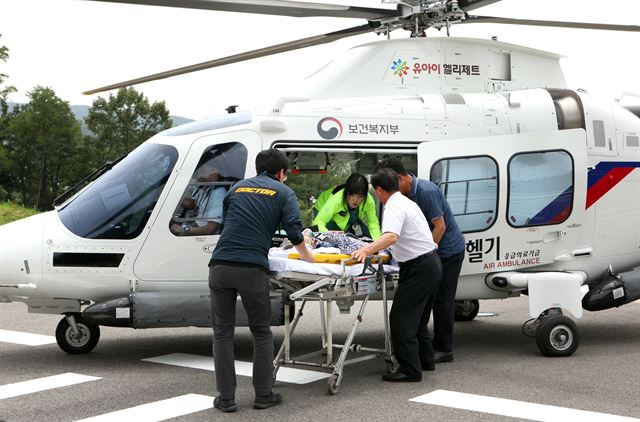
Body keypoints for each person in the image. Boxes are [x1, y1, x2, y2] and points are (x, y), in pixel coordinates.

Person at [208, 149, 314, 412]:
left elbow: (228, 223)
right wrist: (309, 259)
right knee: (261, 332)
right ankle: (263, 395)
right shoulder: (283, 191)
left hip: (220, 265)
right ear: (281, 172)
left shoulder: (237, 189)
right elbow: (294, 231)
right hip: (251, 269)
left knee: (222, 333)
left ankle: (227, 399)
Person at [351, 168, 442, 382]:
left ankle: (410, 370)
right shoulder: (407, 201)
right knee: (418, 319)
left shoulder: (393, 206)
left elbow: (391, 236)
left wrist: (367, 250)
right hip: (430, 263)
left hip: (419, 267)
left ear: (380, 190)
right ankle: (425, 360)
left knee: (401, 318)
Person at [375, 157, 465, 364]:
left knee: (442, 301)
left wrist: (426, 253)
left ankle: (444, 348)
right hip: (432, 253)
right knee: (424, 303)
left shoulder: (425, 191)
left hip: (447, 251)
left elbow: (439, 226)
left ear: (398, 178)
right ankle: (424, 351)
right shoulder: (405, 196)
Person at [313, 173, 382, 239]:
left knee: (364, 234)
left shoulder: (369, 201)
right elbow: (319, 221)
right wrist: (327, 236)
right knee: (335, 237)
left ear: (365, 195)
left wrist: (378, 246)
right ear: (346, 193)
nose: (355, 200)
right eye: (352, 195)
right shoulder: (336, 200)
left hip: (349, 218)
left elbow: (373, 224)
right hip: (322, 210)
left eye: (360, 196)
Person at [171, 166, 227, 236]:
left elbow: (210, 229)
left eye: (203, 170)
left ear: (215, 171)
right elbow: (193, 204)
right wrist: (173, 198)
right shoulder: (203, 187)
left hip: (199, 232)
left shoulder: (218, 194)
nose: (199, 174)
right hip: (192, 222)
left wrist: (184, 230)